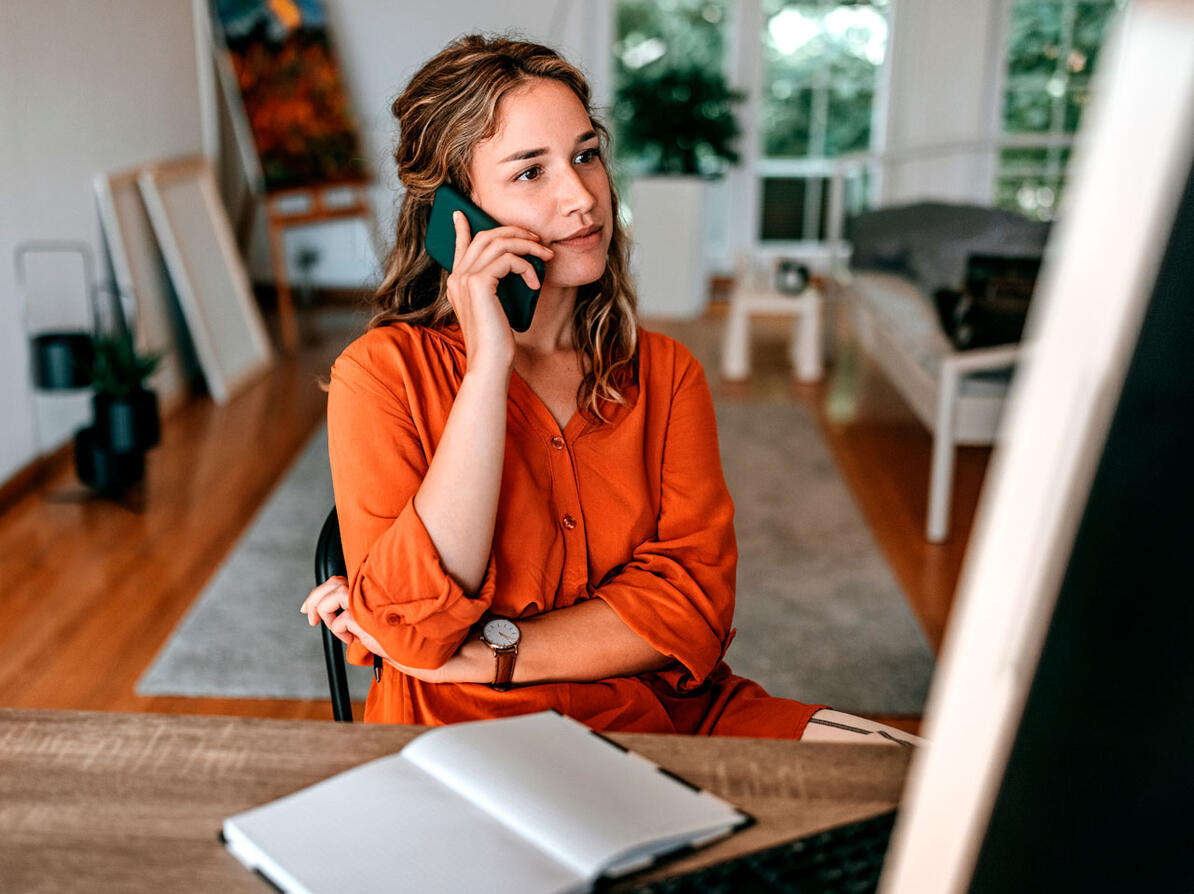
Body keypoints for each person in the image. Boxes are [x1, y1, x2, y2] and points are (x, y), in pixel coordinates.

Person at [300, 34, 920, 746]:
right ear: (455, 214)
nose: (582, 197)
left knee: (915, 781)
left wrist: (487, 651)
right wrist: (488, 367)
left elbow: (693, 608)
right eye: (530, 173)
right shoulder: (381, 375)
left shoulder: (666, 373)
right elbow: (412, 627)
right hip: (467, 732)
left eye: (586, 155)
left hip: (669, 719)